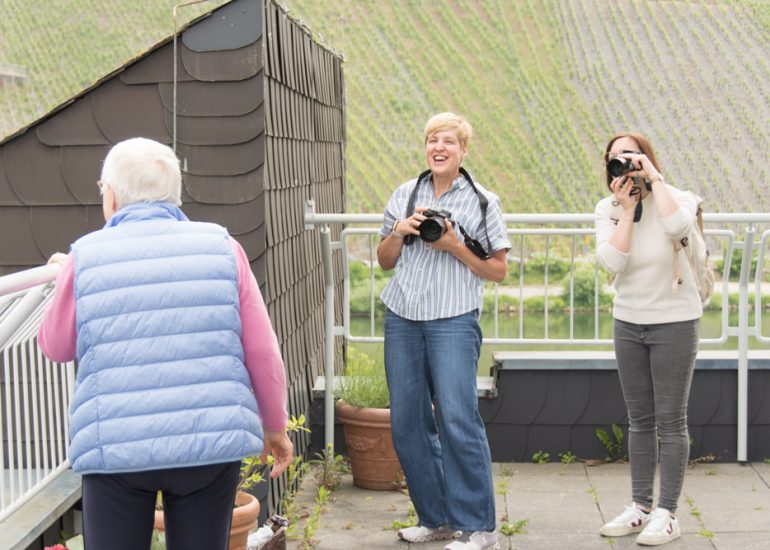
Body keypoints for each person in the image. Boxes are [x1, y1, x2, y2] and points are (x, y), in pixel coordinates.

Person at [38, 137, 293, 550]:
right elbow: (263, 350)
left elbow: (55, 346)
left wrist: (68, 280)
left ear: (111, 195)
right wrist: (274, 426)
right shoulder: (223, 247)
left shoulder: (84, 257)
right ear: (175, 194)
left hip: (116, 446)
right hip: (207, 445)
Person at [377, 112, 510, 550]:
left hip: (453, 319)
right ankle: (436, 518)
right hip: (403, 318)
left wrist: (454, 245)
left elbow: (498, 270)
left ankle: (479, 528)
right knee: (407, 422)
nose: (439, 147)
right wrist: (399, 231)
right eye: (433, 139)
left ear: (463, 150)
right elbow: (384, 260)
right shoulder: (404, 194)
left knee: (457, 418)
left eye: (449, 141)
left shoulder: (483, 201)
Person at [594, 132, 703, 546]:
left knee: (671, 421)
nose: (623, 163)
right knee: (639, 420)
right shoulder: (608, 208)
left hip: (675, 321)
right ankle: (640, 506)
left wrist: (654, 180)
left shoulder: (679, 198)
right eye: (615, 158)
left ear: (647, 157)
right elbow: (612, 262)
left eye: (631, 155)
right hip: (628, 322)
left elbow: (677, 225)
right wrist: (627, 211)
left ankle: (667, 514)